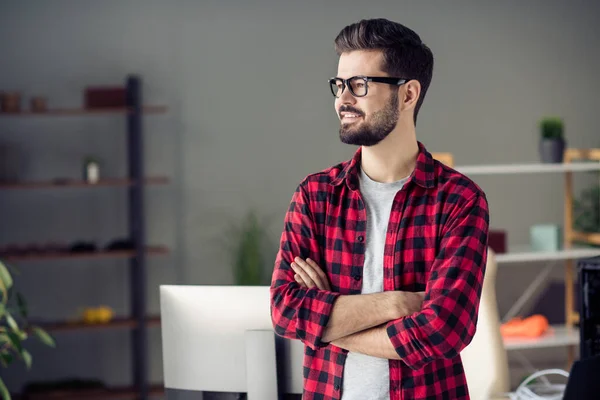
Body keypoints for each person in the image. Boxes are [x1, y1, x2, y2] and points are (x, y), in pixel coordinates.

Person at [270, 18, 489, 400]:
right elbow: (286, 310)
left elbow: (442, 331)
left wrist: (328, 321)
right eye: (339, 85)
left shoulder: (459, 200)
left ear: (407, 95)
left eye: (360, 85)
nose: (342, 99)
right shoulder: (315, 196)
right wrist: (397, 302)